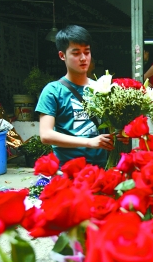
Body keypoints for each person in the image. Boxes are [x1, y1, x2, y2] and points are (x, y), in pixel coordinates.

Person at [35, 25, 119, 168]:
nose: (83, 58)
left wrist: (119, 135)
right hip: (68, 170)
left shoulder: (102, 88)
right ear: (62, 56)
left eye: (87, 52)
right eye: (76, 53)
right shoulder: (53, 91)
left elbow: (109, 127)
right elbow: (46, 135)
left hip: (100, 168)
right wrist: (88, 142)